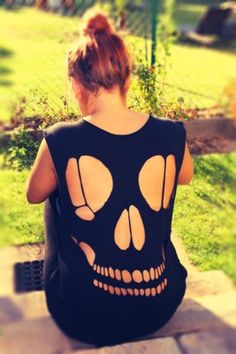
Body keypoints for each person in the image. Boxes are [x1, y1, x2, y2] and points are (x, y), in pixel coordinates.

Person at [25, 10, 194, 347]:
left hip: (80, 315)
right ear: (127, 79)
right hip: (160, 305)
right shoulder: (170, 133)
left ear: (75, 83)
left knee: (55, 191)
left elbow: (33, 193)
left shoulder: (60, 139)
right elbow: (184, 176)